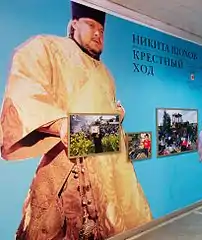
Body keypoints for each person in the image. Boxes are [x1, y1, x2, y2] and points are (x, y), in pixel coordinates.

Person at [0, 2, 152, 239]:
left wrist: (114, 119)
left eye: (102, 30)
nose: (98, 33)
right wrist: (65, 126)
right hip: (69, 169)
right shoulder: (47, 48)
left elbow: (103, 133)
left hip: (112, 173)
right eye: (91, 25)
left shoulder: (106, 74)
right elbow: (25, 94)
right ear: (73, 25)